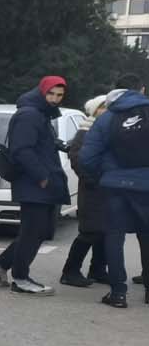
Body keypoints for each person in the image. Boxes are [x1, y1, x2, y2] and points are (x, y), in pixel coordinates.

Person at [0, 76, 70, 296]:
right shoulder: (30, 114)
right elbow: (22, 150)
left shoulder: (39, 113)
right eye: (51, 94)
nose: (54, 99)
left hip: (38, 183)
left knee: (35, 231)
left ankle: (0, 265)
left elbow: (38, 143)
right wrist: (42, 177)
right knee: (34, 232)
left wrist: (60, 146)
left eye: (59, 95)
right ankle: (21, 278)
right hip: (34, 184)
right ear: (42, 92)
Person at [79, 73, 149, 308]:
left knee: (114, 237)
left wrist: (101, 176)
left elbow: (87, 157)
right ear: (142, 90)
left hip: (114, 186)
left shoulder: (107, 118)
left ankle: (118, 293)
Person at [58, 94, 113, 288]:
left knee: (106, 232)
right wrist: (93, 180)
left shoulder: (108, 129)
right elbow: (77, 158)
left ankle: (98, 269)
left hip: (108, 190)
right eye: (102, 107)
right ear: (94, 110)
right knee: (89, 232)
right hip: (92, 191)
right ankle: (70, 271)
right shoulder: (85, 131)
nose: (106, 111)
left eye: (109, 107)